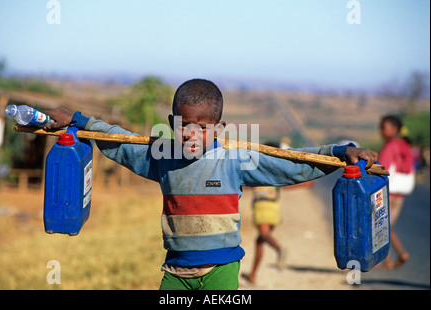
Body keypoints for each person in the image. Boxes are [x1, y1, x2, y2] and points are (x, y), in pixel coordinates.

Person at [44, 78, 379, 290]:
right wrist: (78, 120)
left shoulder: (236, 159)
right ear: (173, 123)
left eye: (203, 127)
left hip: (221, 268)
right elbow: (119, 140)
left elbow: (291, 164)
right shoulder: (161, 157)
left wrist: (338, 152)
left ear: (219, 129)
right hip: (175, 269)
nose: (192, 133)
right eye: (185, 124)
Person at [379, 115, 414, 269]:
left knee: (383, 225)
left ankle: (400, 254)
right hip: (400, 194)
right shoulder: (405, 146)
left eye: (383, 128)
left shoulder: (390, 146)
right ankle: (388, 260)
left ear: (394, 129)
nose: (381, 131)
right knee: (384, 225)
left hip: (388, 192)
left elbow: (382, 170)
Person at [245, 143, 284, 283]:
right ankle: (252, 275)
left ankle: (279, 249)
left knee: (263, 235)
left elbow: (245, 183)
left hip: (263, 206)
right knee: (259, 241)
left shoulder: (258, 168)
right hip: (274, 207)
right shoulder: (278, 171)